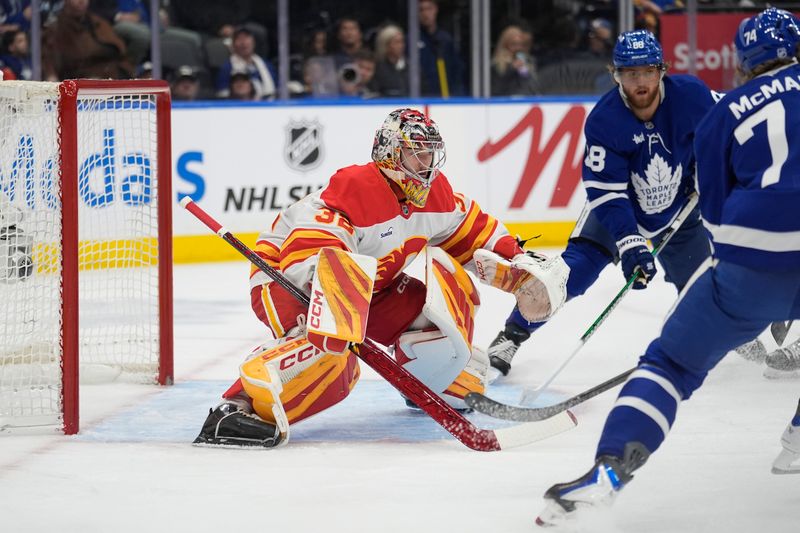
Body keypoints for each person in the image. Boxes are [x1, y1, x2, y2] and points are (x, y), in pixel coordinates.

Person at [535, 9, 800, 527]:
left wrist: (760, 282)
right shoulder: (624, 117)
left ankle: (609, 469)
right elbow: (610, 197)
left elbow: (717, 220)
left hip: (749, 257)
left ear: (742, 64)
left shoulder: (723, 112)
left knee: (669, 365)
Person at [192, 108, 568, 448]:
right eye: (415, 153)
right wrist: (339, 312)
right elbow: (310, 253)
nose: (425, 164)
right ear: (389, 154)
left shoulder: (434, 194)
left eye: (429, 154)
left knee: (446, 329)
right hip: (287, 278)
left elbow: (475, 232)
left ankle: (422, 380)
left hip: (368, 284)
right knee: (334, 359)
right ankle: (232, 410)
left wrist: (518, 268)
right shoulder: (356, 189)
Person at [487, 30, 716, 377]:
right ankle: (512, 335)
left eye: (648, 72)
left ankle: (730, 333)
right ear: (616, 75)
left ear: (662, 70)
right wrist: (628, 240)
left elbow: (728, 124)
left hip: (677, 208)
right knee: (569, 276)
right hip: (618, 210)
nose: (641, 82)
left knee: (705, 286)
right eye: (631, 73)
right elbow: (608, 193)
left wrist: (711, 168)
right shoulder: (605, 119)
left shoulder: (693, 96)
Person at [42, 0, 133, 81]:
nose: (82, 1)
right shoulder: (57, 28)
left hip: (116, 75)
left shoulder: (97, 21)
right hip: (85, 83)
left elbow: (119, 48)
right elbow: (51, 63)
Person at [418, 0, 465, 96]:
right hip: (420, 96)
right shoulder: (412, 39)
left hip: (444, 96)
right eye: (421, 10)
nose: (425, 13)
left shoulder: (446, 39)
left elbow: (456, 70)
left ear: (436, 9)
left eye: (429, 9)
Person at [215, 26, 277, 100]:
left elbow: (277, 88)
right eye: (239, 39)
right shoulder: (227, 68)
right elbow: (222, 95)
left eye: (246, 38)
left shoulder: (266, 65)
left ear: (253, 42)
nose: (243, 43)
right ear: (233, 45)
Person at [490, 24, 538, 96]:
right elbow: (496, 89)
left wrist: (525, 69)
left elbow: (532, 86)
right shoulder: (496, 65)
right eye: (514, 44)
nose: (518, 48)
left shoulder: (527, 61)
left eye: (521, 44)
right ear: (505, 45)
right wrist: (511, 69)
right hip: (506, 103)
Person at [373, 25, 409, 97]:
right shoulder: (377, 67)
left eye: (402, 42)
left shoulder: (412, 67)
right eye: (397, 42)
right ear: (386, 45)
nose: (401, 46)